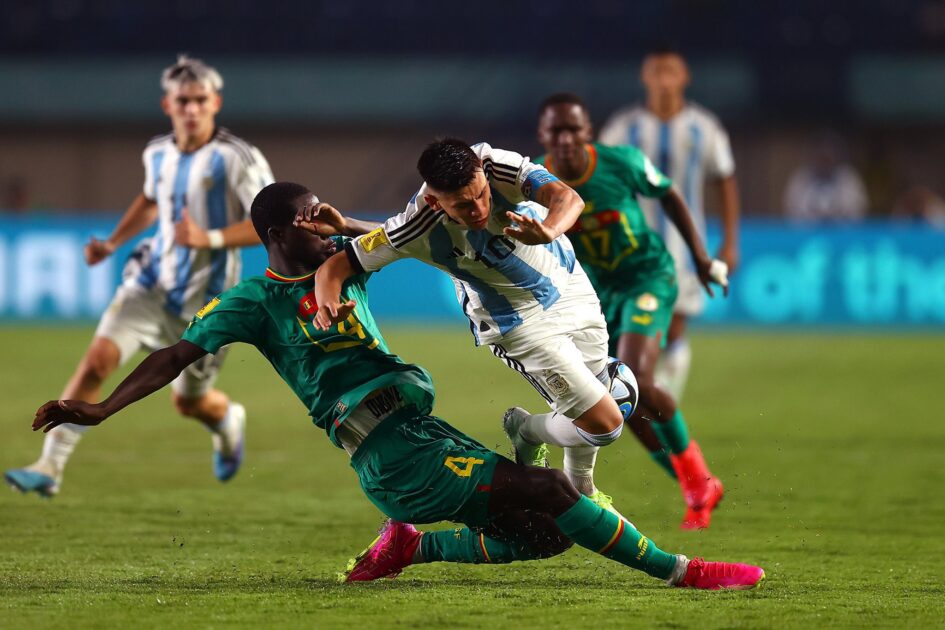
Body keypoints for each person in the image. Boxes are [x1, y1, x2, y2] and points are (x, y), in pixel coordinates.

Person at [30, 181, 765, 590]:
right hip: (387, 452)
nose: (326, 224)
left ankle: (416, 548)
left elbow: (400, 234)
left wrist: (355, 226)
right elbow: (175, 355)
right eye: (311, 219)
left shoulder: (341, 261)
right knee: (555, 497)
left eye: (328, 215)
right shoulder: (251, 303)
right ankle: (681, 572)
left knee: (547, 538)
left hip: (419, 433)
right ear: (279, 234)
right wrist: (101, 406)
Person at [311, 138, 635, 514]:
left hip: (569, 283)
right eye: (463, 205)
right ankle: (526, 430)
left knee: (596, 396)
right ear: (435, 202)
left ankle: (583, 491)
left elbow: (568, 198)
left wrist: (547, 229)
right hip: (519, 324)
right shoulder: (418, 224)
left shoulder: (495, 165)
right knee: (606, 423)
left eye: (481, 195)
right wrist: (327, 301)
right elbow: (337, 266)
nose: (479, 208)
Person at [5, 55, 275, 497]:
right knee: (97, 361)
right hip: (150, 284)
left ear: (215, 103)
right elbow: (151, 199)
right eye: (182, 101)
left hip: (206, 303)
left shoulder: (237, 158)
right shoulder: (157, 152)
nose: (191, 109)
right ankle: (49, 465)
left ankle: (227, 421)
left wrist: (206, 238)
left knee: (189, 403)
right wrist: (112, 242)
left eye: (199, 100)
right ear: (167, 105)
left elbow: (270, 221)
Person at [535, 93, 728, 529]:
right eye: (556, 131)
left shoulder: (621, 162)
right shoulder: (533, 178)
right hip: (593, 296)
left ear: (588, 133)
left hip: (646, 277)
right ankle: (694, 483)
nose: (565, 139)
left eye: (574, 130)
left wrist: (699, 257)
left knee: (636, 379)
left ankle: (697, 479)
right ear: (543, 136)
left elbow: (670, 194)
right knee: (626, 403)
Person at [599, 44, 741, 402]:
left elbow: (725, 178)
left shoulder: (704, 128)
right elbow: (597, 174)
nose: (663, 80)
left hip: (683, 244)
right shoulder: (623, 127)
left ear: (685, 78)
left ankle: (665, 401)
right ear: (645, 78)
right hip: (630, 246)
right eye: (656, 72)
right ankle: (647, 395)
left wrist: (730, 241)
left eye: (671, 72)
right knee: (626, 329)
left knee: (674, 325)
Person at [783, 133, 868, 223]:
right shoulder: (801, 178)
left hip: (842, 232)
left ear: (837, 157)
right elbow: (791, 211)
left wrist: (834, 215)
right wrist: (816, 215)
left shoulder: (848, 178)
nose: (825, 163)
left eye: (828, 158)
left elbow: (858, 210)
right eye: (821, 158)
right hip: (807, 233)